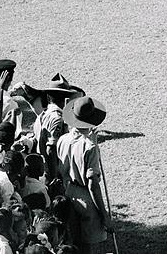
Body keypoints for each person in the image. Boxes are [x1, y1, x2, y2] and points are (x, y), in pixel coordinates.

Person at [57, 96, 112, 254]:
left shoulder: (63, 140)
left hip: (68, 192)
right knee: (89, 247)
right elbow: (92, 184)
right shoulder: (90, 147)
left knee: (74, 242)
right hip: (86, 198)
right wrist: (104, 214)